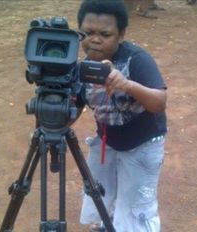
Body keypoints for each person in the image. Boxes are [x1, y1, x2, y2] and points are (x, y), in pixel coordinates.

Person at [75, 0, 167, 231]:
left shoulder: (137, 59)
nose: (95, 40)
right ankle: (107, 225)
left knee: (136, 205)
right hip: (108, 143)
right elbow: (74, 108)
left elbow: (159, 103)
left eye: (105, 34)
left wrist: (128, 85)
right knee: (101, 192)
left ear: (121, 34)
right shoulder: (83, 67)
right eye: (88, 33)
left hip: (143, 144)